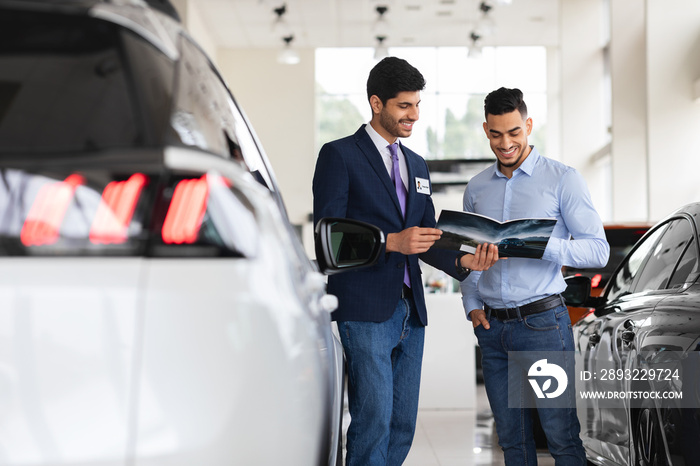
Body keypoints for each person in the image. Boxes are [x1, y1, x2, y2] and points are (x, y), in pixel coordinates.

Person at [313, 56, 498, 466]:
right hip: (364, 308)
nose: (414, 115)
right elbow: (329, 237)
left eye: (417, 105)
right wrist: (390, 242)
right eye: (404, 106)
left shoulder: (416, 164)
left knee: (401, 423)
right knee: (373, 419)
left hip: (410, 311)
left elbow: (426, 235)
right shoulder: (339, 155)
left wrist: (466, 260)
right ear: (377, 103)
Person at [460, 87, 609, 465]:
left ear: (527, 125)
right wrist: (472, 304)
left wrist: (546, 246)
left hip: (543, 324)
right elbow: (473, 256)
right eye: (495, 134)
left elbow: (598, 250)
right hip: (493, 330)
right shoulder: (476, 188)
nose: (505, 142)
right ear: (486, 130)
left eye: (513, 132)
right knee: (513, 443)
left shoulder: (562, 179)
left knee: (560, 437)